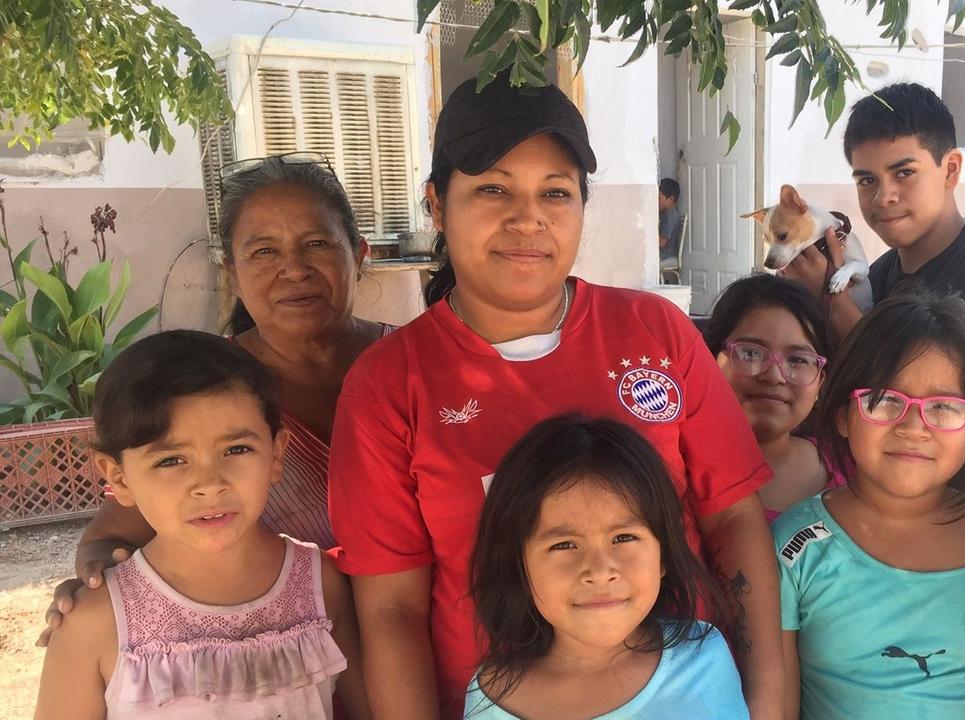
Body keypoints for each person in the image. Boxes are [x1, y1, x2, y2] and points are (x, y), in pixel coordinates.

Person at [328, 72, 781, 720]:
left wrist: (768, 702)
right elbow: (392, 610)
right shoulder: (387, 386)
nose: (528, 219)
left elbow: (734, 520)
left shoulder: (656, 333)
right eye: (493, 189)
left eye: (556, 193)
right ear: (436, 203)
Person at [39, 153, 390, 646]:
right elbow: (110, 537)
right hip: (287, 658)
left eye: (316, 243)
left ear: (359, 252)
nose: (293, 269)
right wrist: (100, 586)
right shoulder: (201, 392)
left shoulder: (421, 365)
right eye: (263, 251)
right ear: (231, 269)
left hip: (429, 644)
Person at [34, 330, 370, 720]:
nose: (210, 484)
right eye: (171, 460)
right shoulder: (94, 621)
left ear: (276, 453)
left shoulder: (320, 584)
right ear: (119, 478)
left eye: (236, 449)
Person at [774, 290, 965, 719]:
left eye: (944, 407)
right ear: (843, 415)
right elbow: (777, 705)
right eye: (885, 401)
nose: (914, 426)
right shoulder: (797, 547)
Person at [464, 414, 749, 719]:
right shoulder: (492, 701)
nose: (600, 571)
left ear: (664, 553)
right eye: (563, 545)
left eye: (624, 537)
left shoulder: (702, 656)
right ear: (518, 565)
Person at [790, 83, 965, 384]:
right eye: (867, 180)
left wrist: (834, 305)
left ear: (950, 169)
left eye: (904, 173)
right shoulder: (879, 274)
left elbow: (943, 398)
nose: (883, 197)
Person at [703, 274, 842, 521]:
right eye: (750, 353)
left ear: (821, 382)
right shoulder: (675, 475)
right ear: (710, 360)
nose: (774, 375)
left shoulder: (850, 467)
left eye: (798, 359)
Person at [658, 177, 681, 262]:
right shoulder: (665, 213)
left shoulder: (670, 216)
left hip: (662, 255)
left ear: (671, 199)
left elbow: (662, 243)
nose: (656, 201)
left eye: (659, 198)